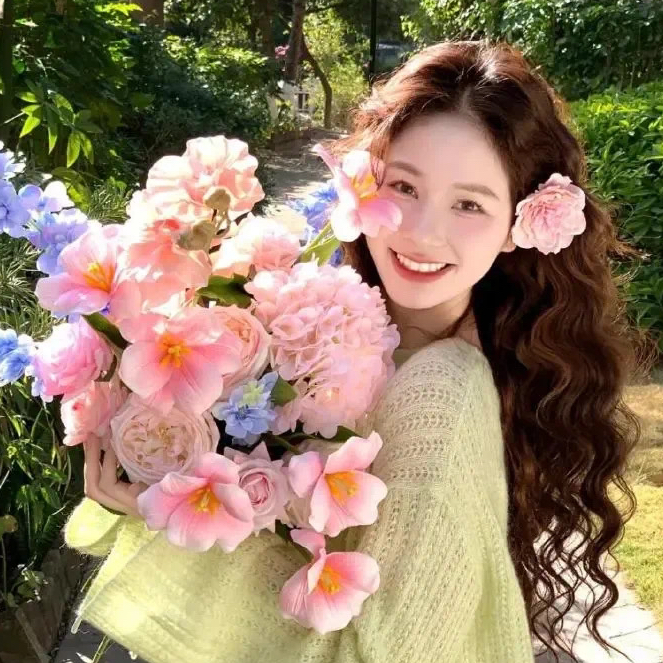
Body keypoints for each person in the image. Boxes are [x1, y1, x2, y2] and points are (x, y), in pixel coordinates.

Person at [64, 40, 655, 663]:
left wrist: (184, 524)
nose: (422, 232)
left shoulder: (442, 394)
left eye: (469, 204)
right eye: (404, 186)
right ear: (363, 185)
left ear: (520, 223)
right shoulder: (332, 323)